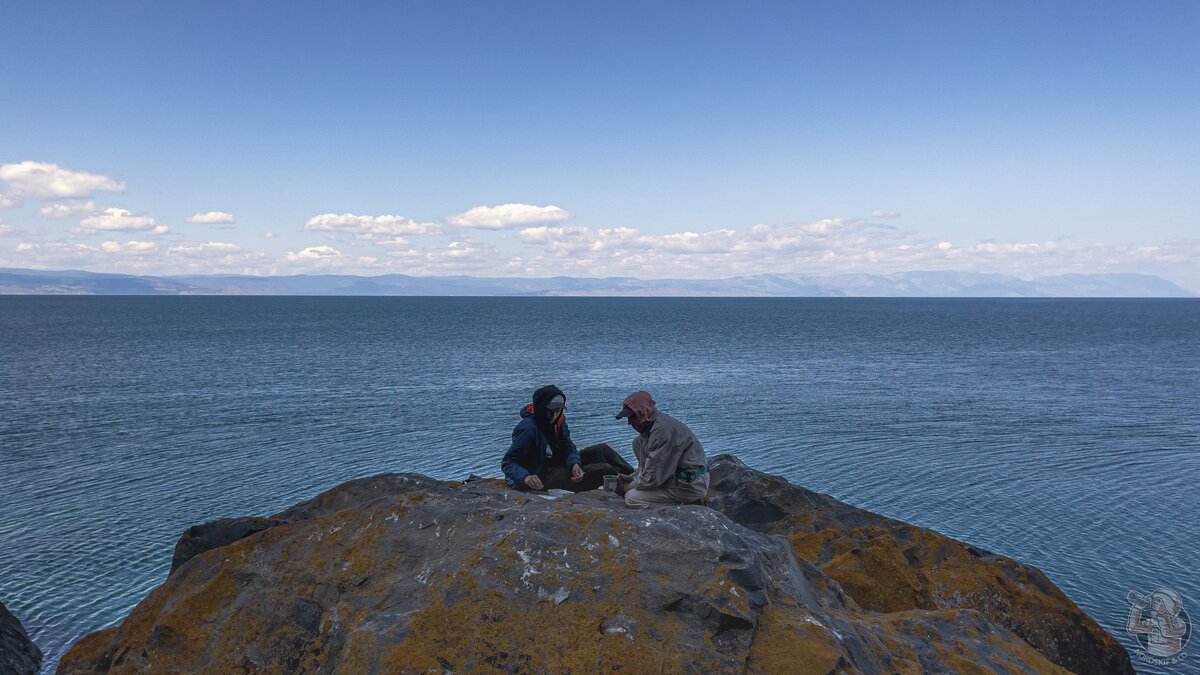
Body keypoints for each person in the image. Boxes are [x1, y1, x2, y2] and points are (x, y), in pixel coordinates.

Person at [502, 385, 634, 492]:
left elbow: (568, 446)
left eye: (559, 410)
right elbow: (508, 463)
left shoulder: (559, 422)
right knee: (605, 470)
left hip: (557, 464)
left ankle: (635, 479)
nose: (555, 415)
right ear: (542, 408)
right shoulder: (528, 428)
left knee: (602, 450)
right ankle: (627, 492)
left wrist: (574, 463)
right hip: (540, 476)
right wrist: (525, 477)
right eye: (551, 410)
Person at [615, 391, 708, 507]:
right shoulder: (648, 432)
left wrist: (628, 487)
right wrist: (632, 477)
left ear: (643, 412)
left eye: (632, 417)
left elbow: (653, 476)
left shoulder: (663, 432)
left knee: (631, 497)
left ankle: (683, 503)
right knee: (637, 443)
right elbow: (648, 468)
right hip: (671, 478)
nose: (629, 423)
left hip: (689, 484)